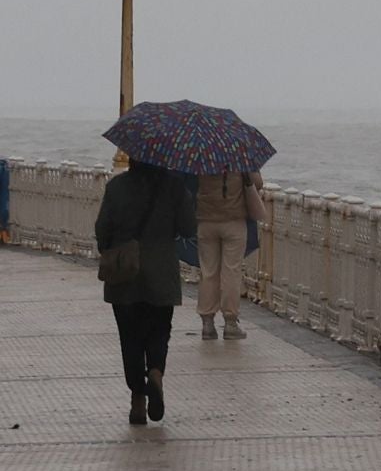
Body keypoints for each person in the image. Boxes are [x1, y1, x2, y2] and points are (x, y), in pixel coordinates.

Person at [94, 160, 196, 425]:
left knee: (130, 337)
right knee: (160, 330)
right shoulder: (175, 187)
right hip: (161, 272)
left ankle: (138, 401)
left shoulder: (117, 187)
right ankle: (156, 374)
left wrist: (111, 248)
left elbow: (102, 229)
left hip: (126, 272)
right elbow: (188, 228)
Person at [195, 169, 262, 340]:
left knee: (208, 272)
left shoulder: (201, 158)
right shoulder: (239, 156)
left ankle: (207, 324)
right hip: (234, 221)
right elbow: (258, 183)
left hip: (206, 222)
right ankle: (230, 322)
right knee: (231, 271)